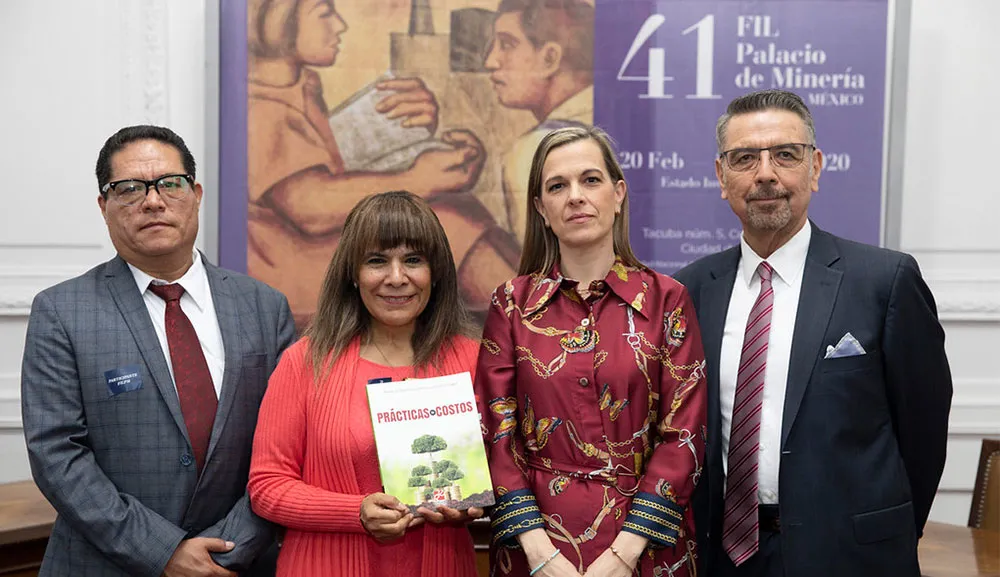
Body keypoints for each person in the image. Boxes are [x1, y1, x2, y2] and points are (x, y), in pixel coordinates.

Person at [672, 89, 953, 577]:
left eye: (785, 154)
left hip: (853, 555)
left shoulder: (884, 281)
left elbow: (924, 431)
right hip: (723, 556)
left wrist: (890, 527)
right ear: (721, 176)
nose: (765, 173)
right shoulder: (690, 289)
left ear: (815, 167)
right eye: (744, 158)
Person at [20, 125, 296, 577]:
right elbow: (57, 455)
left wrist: (232, 546)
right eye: (128, 188)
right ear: (103, 206)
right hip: (106, 564)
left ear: (196, 194)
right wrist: (163, 551)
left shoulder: (264, 306)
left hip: (241, 563)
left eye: (170, 183)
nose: (153, 200)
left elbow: (289, 443)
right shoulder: (61, 312)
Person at [475, 126, 707, 577]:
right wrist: (541, 556)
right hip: (536, 545)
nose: (575, 196)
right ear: (542, 209)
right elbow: (496, 435)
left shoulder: (667, 299)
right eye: (557, 186)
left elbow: (684, 436)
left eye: (591, 180)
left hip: (647, 547)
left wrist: (624, 555)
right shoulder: (511, 304)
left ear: (618, 194)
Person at [248, 190, 484, 576]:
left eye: (413, 260)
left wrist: (476, 503)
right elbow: (267, 486)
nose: (396, 278)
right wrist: (354, 512)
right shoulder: (305, 362)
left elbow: (504, 469)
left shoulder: (471, 359)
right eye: (377, 261)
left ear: (436, 272)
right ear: (352, 275)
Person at [247, 0, 519, 327]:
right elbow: (310, 205)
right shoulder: (262, 104)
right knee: (449, 220)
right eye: (324, 13)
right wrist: (420, 178)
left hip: (324, 248)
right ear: (281, 22)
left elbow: (320, 160)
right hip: (293, 263)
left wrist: (416, 134)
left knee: (458, 211)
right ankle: (528, 327)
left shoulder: (297, 85)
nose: (339, 25)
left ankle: (525, 320)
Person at [485, 0, 594, 242]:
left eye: (506, 44)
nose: (491, 61)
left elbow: (540, 269)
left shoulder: (535, 151)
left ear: (549, 58)